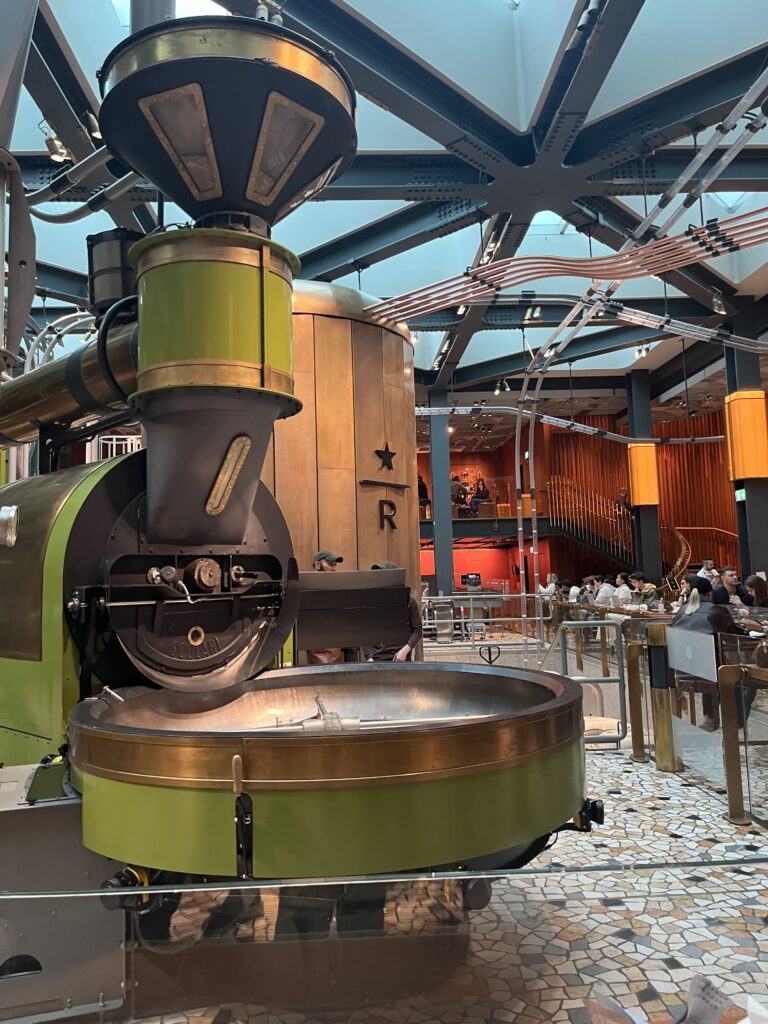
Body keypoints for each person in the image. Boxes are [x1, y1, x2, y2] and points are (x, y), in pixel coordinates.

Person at [363, 561, 423, 662]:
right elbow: (364, 631)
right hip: (377, 659)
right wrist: (369, 657)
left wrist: (405, 650)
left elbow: (417, 630)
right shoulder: (371, 601)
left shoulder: (409, 600)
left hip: (401, 658)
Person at [307, 549, 345, 664]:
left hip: (335, 639)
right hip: (315, 640)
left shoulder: (337, 586)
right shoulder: (307, 586)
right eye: (330, 564)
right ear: (317, 565)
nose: (333, 568)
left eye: (335, 565)